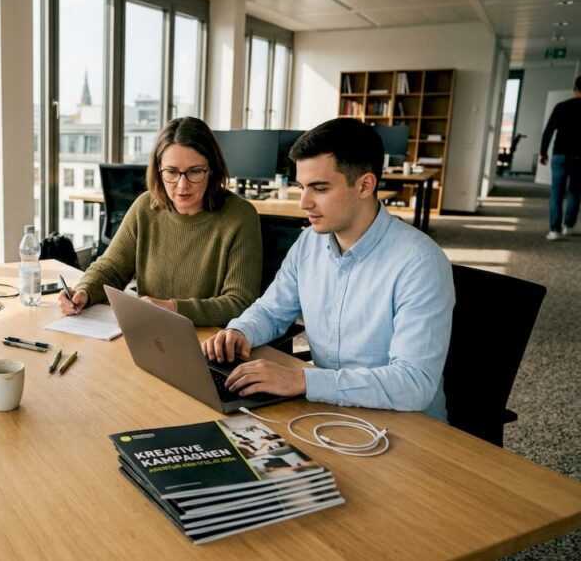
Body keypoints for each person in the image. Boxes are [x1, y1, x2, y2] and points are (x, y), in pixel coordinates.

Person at [202, 118, 454, 421]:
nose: (304, 203)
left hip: (405, 424)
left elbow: (414, 383)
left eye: (319, 188)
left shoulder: (419, 263)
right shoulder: (309, 242)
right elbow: (271, 311)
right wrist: (240, 331)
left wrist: (302, 380)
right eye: (302, 187)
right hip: (328, 408)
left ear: (364, 185)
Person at [59, 116, 262, 326]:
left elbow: (240, 302)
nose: (182, 185)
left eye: (194, 172)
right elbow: (111, 267)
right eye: (172, 172)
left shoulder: (240, 216)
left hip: (211, 341)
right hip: (151, 334)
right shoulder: (146, 207)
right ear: (158, 170)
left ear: (211, 169)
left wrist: (174, 309)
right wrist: (84, 290)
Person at [539, 75, 581, 241]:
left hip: (560, 155)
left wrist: (543, 153)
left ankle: (554, 230)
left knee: (557, 192)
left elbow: (548, 131)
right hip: (580, 157)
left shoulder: (561, 107)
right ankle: (568, 226)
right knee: (575, 192)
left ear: (575, 88)